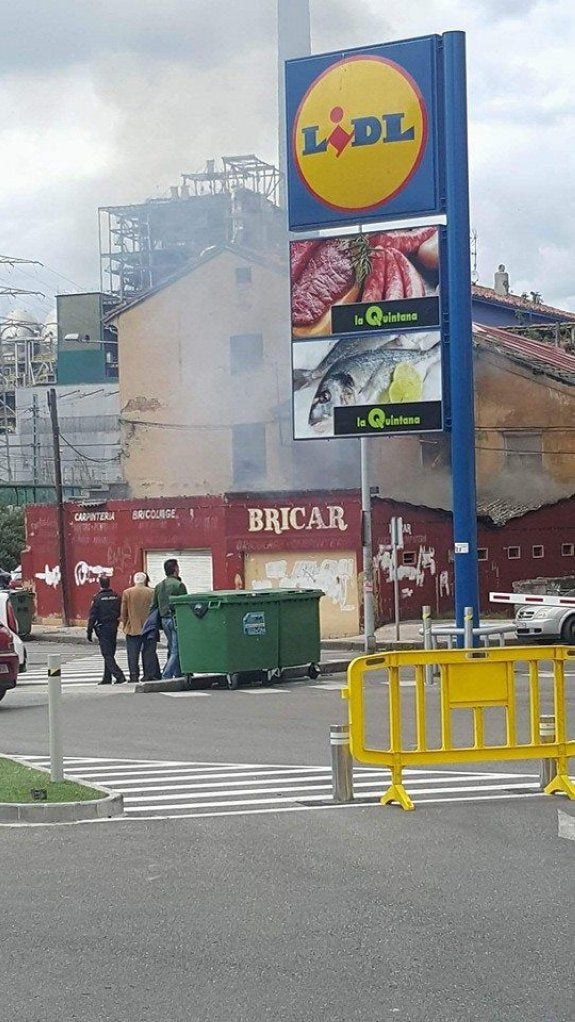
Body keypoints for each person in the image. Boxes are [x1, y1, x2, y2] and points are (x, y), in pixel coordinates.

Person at [87, 575, 126, 685]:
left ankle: (119, 675)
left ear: (100, 584)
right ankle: (107, 677)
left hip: (103, 627)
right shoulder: (116, 596)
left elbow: (92, 616)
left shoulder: (97, 598)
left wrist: (89, 632)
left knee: (107, 654)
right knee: (110, 653)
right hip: (113, 626)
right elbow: (120, 611)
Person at [120, 571, 159, 683]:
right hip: (149, 627)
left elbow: (124, 612)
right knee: (148, 653)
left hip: (132, 628)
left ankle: (133, 675)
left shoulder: (127, 593)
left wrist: (125, 624)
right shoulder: (152, 592)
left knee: (132, 654)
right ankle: (149, 674)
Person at [152, 558, 187, 679]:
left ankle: (178, 673)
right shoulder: (179, 585)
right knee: (176, 649)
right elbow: (184, 603)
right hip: (176, 619)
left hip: (164, 620)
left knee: (172, 646)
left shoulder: (158, 586)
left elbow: (153, 606)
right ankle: (166, 675)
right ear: (176, 569)